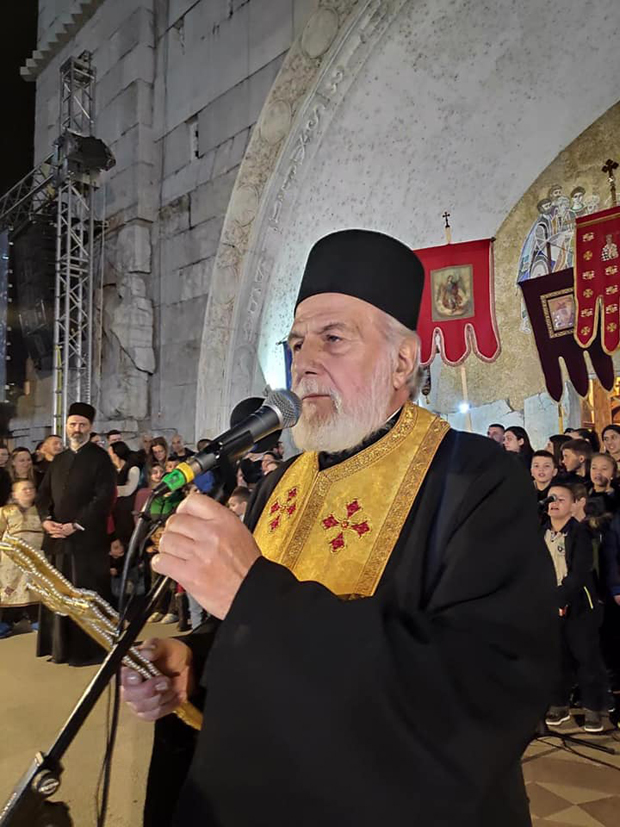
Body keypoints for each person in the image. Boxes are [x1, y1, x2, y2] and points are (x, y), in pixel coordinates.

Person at [122, 229, 556, 827]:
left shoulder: (475, 479)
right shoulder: (281, 483)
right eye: (297, 343)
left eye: (332, 339)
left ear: (402, 361)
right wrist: (194, 662)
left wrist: (254, 596)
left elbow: (485, 688)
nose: (303, 363)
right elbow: (248, 635)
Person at [36, 402, 117, 666]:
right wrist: (46, 520)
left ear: (91, 427)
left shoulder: (100, 458)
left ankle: (89, 651)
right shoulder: (59, 460)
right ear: (66, 426)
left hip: (86, 541)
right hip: (57, 540)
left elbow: (104, 497)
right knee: (58, 593)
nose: (77, 429)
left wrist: (77, 524)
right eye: (73, 424)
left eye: (82, 425)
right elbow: (43, 494)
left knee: (86, 594)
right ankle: (60, 649)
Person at [542, 482, 608, 732]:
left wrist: (561, 599)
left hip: (579, 604)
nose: (554, 503)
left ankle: (594, 708)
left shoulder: (581, 533)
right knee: (556, 657)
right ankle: (558, 704)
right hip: (548, 604)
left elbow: (580, 572)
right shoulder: (540, 532)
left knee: (585, 657)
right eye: (551, 498)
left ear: (573, 506)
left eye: (561, 499)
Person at [0, 480, 43, 638]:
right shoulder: (5, 511)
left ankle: (36, 619)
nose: (28, 491)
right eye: (24, 489)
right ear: (14, 494)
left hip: (36, 556)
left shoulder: (41, 511)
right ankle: (6, 622)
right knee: (10, 590)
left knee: (34, 588)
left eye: (31, 488)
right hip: (11, 559)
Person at [109, 441, 141, 547]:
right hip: (114, 508)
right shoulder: (111, 470)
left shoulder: (133, 469)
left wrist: (111, 490)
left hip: (126, 509)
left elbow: (129, 489)